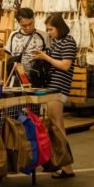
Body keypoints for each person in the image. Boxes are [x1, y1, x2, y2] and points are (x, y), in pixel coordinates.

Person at [33, 13, 76, 178]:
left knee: (57, 127)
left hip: (59, 89)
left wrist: (45, 57)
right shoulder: (58, 42)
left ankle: (66, 167)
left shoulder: (68, 42)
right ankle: (64, 165)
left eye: (51, 29)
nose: (49, 32)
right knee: (56, 126)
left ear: (59, 27)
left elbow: (65, 65)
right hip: (52, 88)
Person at [4, 7, 47, 83]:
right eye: (24, 25)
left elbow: (48, 57)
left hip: (37, 78)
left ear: (34, 19)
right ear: (18, 23)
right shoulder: (13, 35)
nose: (28, 27)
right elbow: (9, 58)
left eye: (31, 23)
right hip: (17, 78)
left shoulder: (43, 36)